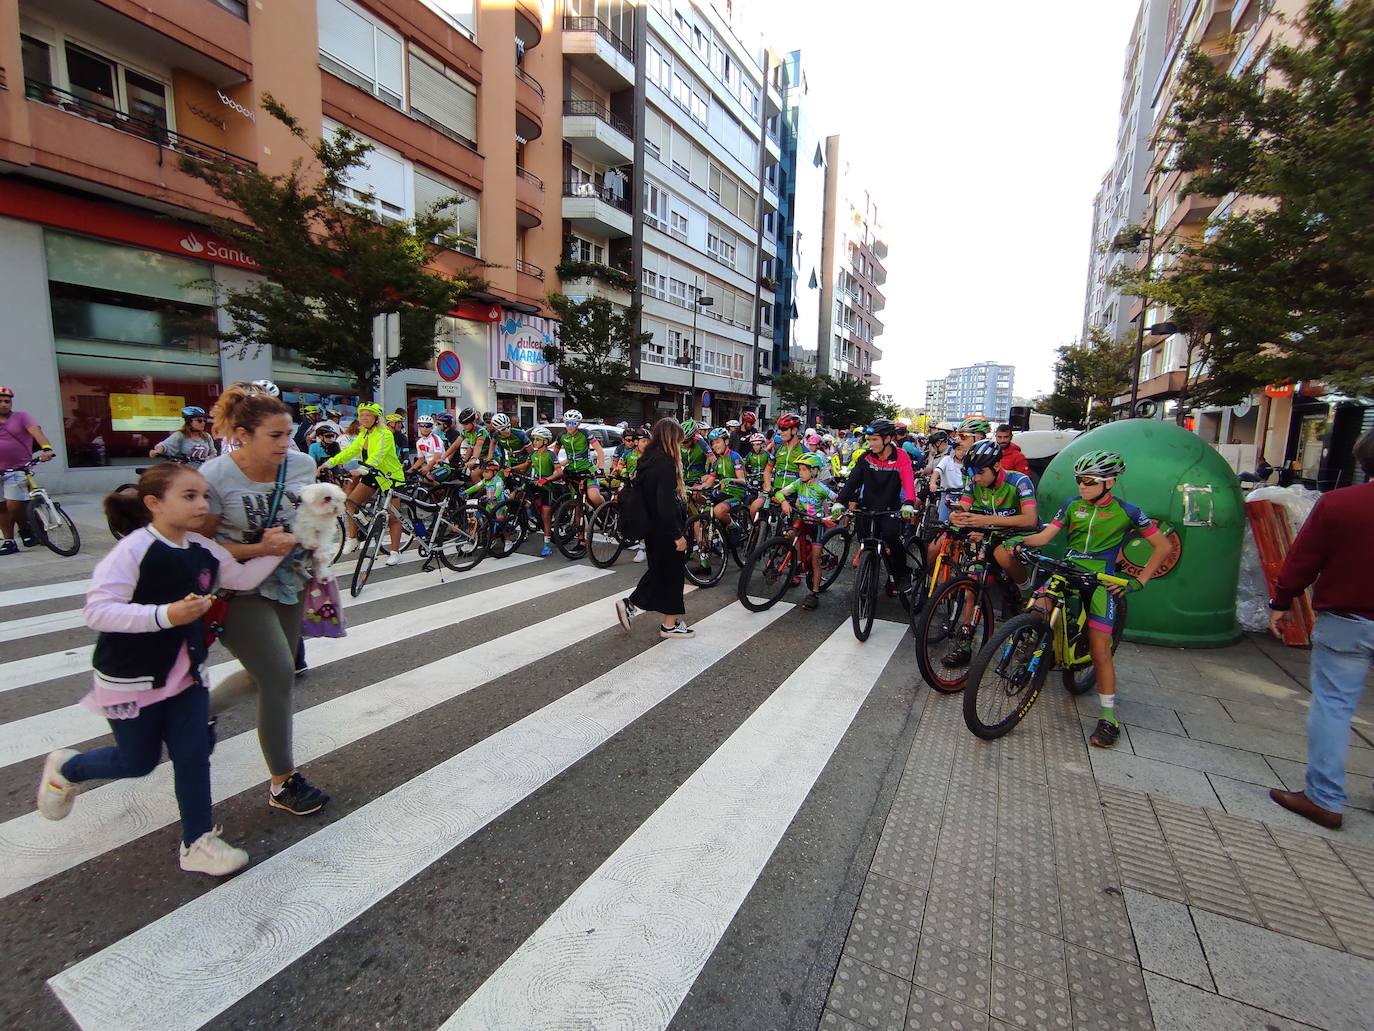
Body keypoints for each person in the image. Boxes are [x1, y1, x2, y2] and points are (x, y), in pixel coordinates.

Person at [36, 465, 282, 875]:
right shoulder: (134, 549)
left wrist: (281, 550)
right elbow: (97, 610)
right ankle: (67, 768)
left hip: (186, 675)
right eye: (189, 496)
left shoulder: (204, 550)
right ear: (154, 503)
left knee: (193, 754)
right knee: (137, 761)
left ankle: (198, 841)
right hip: (131, 677)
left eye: (204, 495)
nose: (202, 504)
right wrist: (165, 614)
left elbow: (238, 577)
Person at [198, 384, 330, 815]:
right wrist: (257, 549)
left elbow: (307, 518)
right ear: (242, 434)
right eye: (274, 435)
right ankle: (283, 782)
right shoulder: (215, 477)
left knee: (272, 672)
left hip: (288, 581)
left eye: (288, 433)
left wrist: (316, 536)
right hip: (238, 588)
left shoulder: (302, 464)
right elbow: (199, 544)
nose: (285, 443)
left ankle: (202, 710)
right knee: (277, 676)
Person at [1015, 450, 1172, 748]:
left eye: (1088, 481)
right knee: (1035, 607)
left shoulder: (1128, 511)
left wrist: (1138, 581)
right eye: (1079, 480)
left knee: (1101, 649)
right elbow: (1045, 537)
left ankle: (1108, 717)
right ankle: (1033, 651)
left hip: (1101, 580)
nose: (1082, 486)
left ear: (1109, 482)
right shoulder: (1072, 506)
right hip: (1068, 569)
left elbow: (1162, 546)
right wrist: (1019, 542)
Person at [1267, 428, 1374, 830]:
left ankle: (1324, 798)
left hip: (1347, 622)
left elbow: (1302, 559)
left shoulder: (1340, 504)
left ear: (1362, 463)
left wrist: (1281, 603)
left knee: (1333, 705)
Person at [940, 440, 1040, 667]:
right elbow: (965, 505)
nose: (975, 477)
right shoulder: (975, 482)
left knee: (1004, 554)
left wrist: (986, 520)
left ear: (996, 466)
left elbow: (1030, 519)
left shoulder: (1019, 481)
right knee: (972, 588)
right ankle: (964, 644)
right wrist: (957, 516)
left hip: (1019, 535)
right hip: (990, 534)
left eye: (980, 472)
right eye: (971, 472)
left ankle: (1025, 593)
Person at [616, 418, 693, 639]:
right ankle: (668, 625)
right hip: (665, 528)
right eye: (678, 440)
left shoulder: (647, 459)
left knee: (661, 572)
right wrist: (677, 534)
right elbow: (665, 504)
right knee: (673, 575)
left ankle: (631, 605)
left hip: (650, 527)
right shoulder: (666, 463)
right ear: (671, 439)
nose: (679, 445)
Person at [834, 418, 917, 593]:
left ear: (887, 439)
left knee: (891, 537)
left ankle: (903, 573)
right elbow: (853, 481)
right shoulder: (866, 457)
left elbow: (909, 482)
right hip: (867, 508)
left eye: (875, 440)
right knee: (864, 539)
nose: (870, 444)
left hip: (890, 509)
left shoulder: (901, 456)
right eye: (869, 440)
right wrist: (840, 501)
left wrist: (909, 502)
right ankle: (869, 569)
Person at [320, 402, 406, 566]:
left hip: (390, 477)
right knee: (350, 502)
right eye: (361, 415)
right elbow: (349, 452)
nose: (364, 418)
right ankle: (355, 536)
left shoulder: (385, 434)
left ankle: (395, 552)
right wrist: (328, 464)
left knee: (393, 516)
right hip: (372, 474)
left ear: (376, 418)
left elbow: (377, 456)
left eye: (368, 415)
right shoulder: (364, 434)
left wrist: (361, 471)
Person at [774, 452, 839, 610]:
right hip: (802, 519)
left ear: (815, 471)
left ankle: (814, 593)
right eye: (800, 469)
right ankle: (797, 562)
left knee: (815, 559)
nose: (800, 472)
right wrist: (783, 502)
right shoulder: (798, 483)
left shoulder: (820, 487)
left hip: (816, 524)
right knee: (790, 534)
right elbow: (779, 493)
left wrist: (833, 516)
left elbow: (837, 501)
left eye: (804, 469)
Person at [0, 384, 57, 554]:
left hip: (17, 469)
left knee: (14, 505)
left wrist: (46, 448)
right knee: (1, 507)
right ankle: (9, 542)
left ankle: (25, 528)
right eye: (1, 401)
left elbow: (36, 433)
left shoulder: (23, 417)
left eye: (7, 401)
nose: (4, 404)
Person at [526, 426, 562, 557]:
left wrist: (546, 479)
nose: (534, 442)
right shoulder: (533, 454)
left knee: (546, 516)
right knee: (519, 494)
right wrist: (510, 468)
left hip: (546, 487)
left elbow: (559, 471)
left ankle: (547, 544)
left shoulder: (550, 454)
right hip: (534, 484)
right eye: (534, 439)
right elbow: (525, 466)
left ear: (545, 441)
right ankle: (529, 513)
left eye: (537, 439)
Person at [150, 407, 217, 468]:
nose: (203, 423)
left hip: (203, 471)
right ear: (189, 422)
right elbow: (165, 445)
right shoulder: (180, 435)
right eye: (199, 420)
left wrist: (210, 458)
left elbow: (213, 452)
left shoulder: (207, 436)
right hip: (183, 472)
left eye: (204, 420)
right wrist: (157, 451)